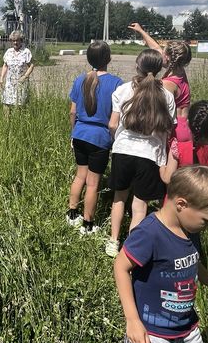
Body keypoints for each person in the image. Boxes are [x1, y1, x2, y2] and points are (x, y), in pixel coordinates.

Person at [78, 166, 208, 343]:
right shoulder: (150, 233)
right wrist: (132, 320)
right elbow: (120, 266)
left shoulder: (190, 229)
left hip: (185, 324)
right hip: (151, 329)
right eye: (207, 222)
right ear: (181, 204)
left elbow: (195, 264)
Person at [106, 49, 175, 257]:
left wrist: (117, 140)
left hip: (123, 150)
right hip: (150, 154)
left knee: (119, 198)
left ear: (137, 66)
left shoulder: (123, 90)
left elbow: (112, 124)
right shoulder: (167, 95)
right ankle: (131, 250)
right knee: (139, 206)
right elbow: (168, 128)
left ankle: (112, 241)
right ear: (160, 68)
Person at [67, 41, 124, 235]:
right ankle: (88, 224)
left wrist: (73, 133)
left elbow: (73, 111)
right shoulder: (117, 83)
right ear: (108, 58)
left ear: (88, 59)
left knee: (79, 176)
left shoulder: (80, 79)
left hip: (80, 133)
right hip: (100, 138)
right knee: (93, 183)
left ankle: (72, 213)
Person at [128, 23, 193, 163]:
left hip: (173, 130)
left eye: (163, 52)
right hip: (185, 128)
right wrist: (141, 31)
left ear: (168, 58)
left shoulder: (168, 84)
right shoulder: (178, 70)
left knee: (168, 175)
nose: (160, 52)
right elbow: (156, 48)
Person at [161, 101, 208, 184]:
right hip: (205, 197)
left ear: (188, 122)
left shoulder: (178, 148)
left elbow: (167, 179)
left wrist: (161, 167)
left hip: (179, 196)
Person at [0, 30, 34, 112]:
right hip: (9, 82)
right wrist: (1, 78)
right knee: (6, 103)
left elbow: (31, 66)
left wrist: (25, 76)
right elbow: (5, 65)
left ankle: (18, 122)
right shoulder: (8, 52)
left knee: (19, 105)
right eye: (13, 40)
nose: (15, 42)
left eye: (17, 40)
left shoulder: (26, 52)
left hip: (20, 82)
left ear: (21, 40)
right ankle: (6, 123)